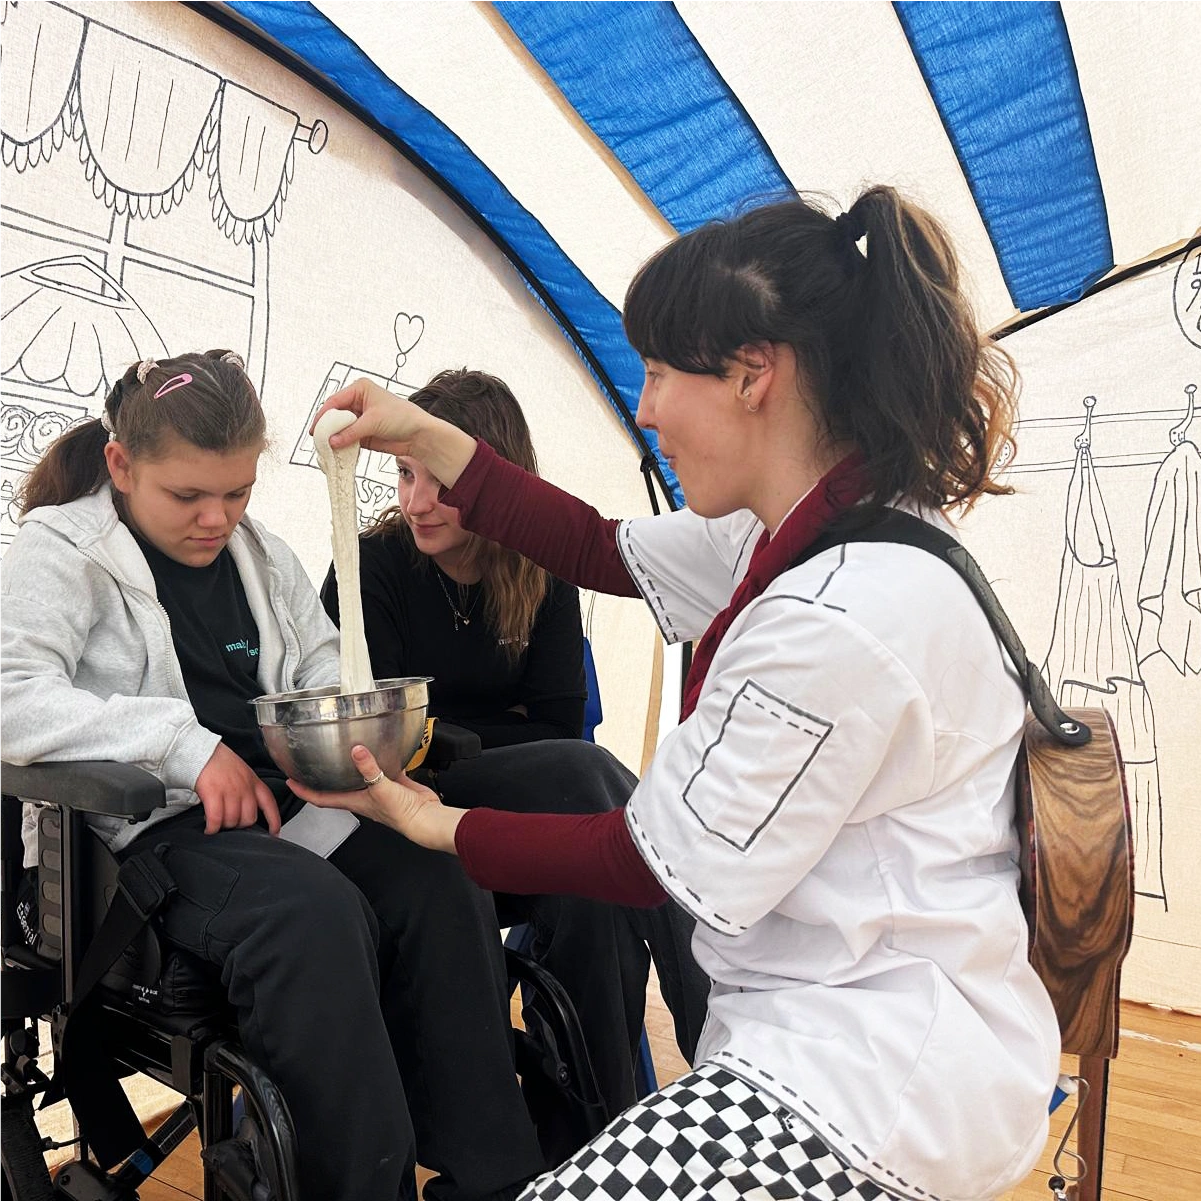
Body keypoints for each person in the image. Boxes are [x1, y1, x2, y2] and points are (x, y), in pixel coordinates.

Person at [294, 186, 1062, 1201]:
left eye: (658, 372)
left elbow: (640, 856)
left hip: (865, 1076)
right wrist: (424, 434)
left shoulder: (833, 615)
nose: (644, 407)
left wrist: (431, 820)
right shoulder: (810, 530)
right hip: (861, 1028)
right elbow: (594, 543)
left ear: (754, 375)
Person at [0, 350, 548, 1201]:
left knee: (438, 870)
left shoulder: (260, 554)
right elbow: (10, 696)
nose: (218, 518)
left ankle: (495, 1178)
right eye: (189, 496)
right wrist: (183, 746)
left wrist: (373, 760)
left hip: (284, 811)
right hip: (148, 837)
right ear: (121, 464)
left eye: (239, 491)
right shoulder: (61, 551)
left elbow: (327, 668)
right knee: (312, 914)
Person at [320, 367, 710, 1121]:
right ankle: (719, 1045)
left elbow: (557, 722)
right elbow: (392, 745)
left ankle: (593, 1132)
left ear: (493, 477)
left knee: (591, 892)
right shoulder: (373, 568)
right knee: (588, 770)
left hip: (515, 811)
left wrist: (463, 733)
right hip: (407, 816)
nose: (416, 501)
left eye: (438, 480)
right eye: (403, 475)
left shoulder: (541, 571)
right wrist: (501, 736)